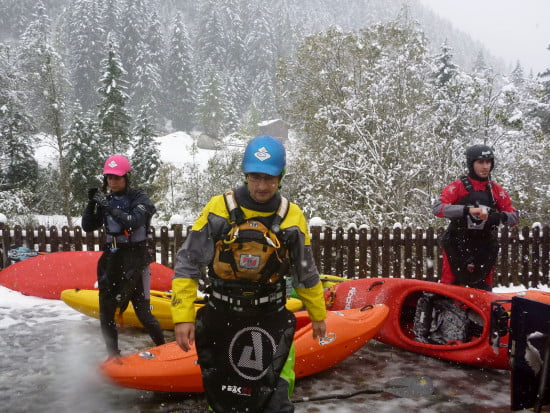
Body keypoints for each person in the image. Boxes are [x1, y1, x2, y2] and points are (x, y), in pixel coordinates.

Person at [171, 135, 327, 413]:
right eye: (255, 177)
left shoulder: (292, 217)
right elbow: (188, 262)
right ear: (245, 174)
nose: (262, 186)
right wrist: (182, 316)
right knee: (223, 400)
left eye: (270, 178)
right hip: (221, 318)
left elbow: (306, 271)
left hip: (271, 319)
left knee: (274, 397)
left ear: (281, 177)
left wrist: (318, 314)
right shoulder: (218, 209)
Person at [82, 155, 165, 357]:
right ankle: (113, 354)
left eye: (117, 177)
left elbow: (132, 221)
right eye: (109, 178)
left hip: (136, 259)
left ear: (127, 177)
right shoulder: (106, 200)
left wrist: (108, 207)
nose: (113, 182)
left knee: (143, 313)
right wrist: (91, 204)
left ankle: (163, 350)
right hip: (112, 259)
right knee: (106, 313)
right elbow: (88, 226)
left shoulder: (140, 198)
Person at [432, 144, 519, 291]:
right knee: (451, 287)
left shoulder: (495, 190)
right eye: (480, 162)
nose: (485, 166)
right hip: (457, 243)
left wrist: (497, 217)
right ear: (471, 163)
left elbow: (514, 217)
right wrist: (468, 210)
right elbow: (438, 208)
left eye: (488, 162)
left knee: (483, 288)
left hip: (484, 246)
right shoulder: (458, 187)